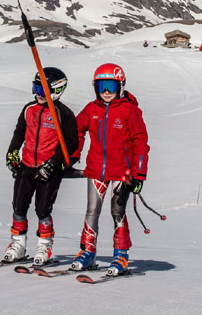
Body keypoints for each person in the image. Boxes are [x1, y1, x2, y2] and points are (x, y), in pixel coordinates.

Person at [70, 63, 149, 276]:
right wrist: (73, 155)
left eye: (111, 86)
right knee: (92, 212)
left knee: (118, 213)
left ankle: (121, 254)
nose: (106, 91)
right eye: (102, 86)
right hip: (96, 169)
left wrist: (139, 173)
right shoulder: (91, 109)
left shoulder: (129, 110)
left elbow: (141, 141)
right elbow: (76, 129)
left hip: (122, 172)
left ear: (120, 86)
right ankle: (87, 252)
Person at [3, 67, 78, 266]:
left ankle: (44, 246)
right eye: (35, 88)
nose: (37, 94)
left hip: (49, 170)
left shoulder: (64, 114)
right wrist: (12, 152)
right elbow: (19, 132)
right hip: (27, 165)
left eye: (42, 90)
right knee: (18, 207)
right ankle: (18, 244)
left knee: (43, 210)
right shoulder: (29, 109)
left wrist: (53, 164)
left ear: (56, 91)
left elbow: (71, 144)